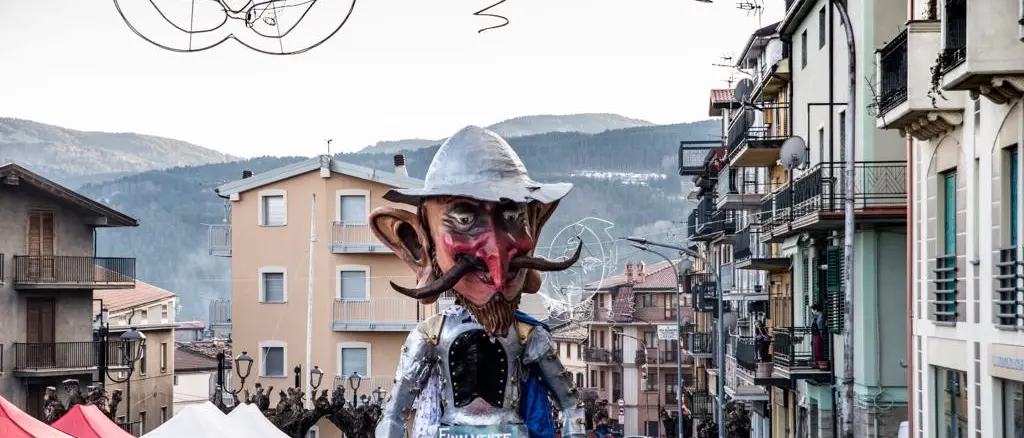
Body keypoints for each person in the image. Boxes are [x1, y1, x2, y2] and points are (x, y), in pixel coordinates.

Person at [371, 126, 586, 438]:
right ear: (418, 244)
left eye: (512, 216)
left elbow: (570, 406)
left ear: (534, 227)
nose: (498, 273)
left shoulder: (529, 336)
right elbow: (393, 413)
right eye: (463, 220)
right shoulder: (431, 337)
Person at [810, 304, 828, 368]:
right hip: (816, 334)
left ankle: (819, 364)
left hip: (819, 334)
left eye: (812, 309)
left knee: (819, 349)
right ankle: (817, 363)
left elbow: (821, 325)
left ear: (816, 309)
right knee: (816, 349)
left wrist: (821, 334)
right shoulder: (816, 316)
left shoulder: (821, 315)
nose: (812, 311)